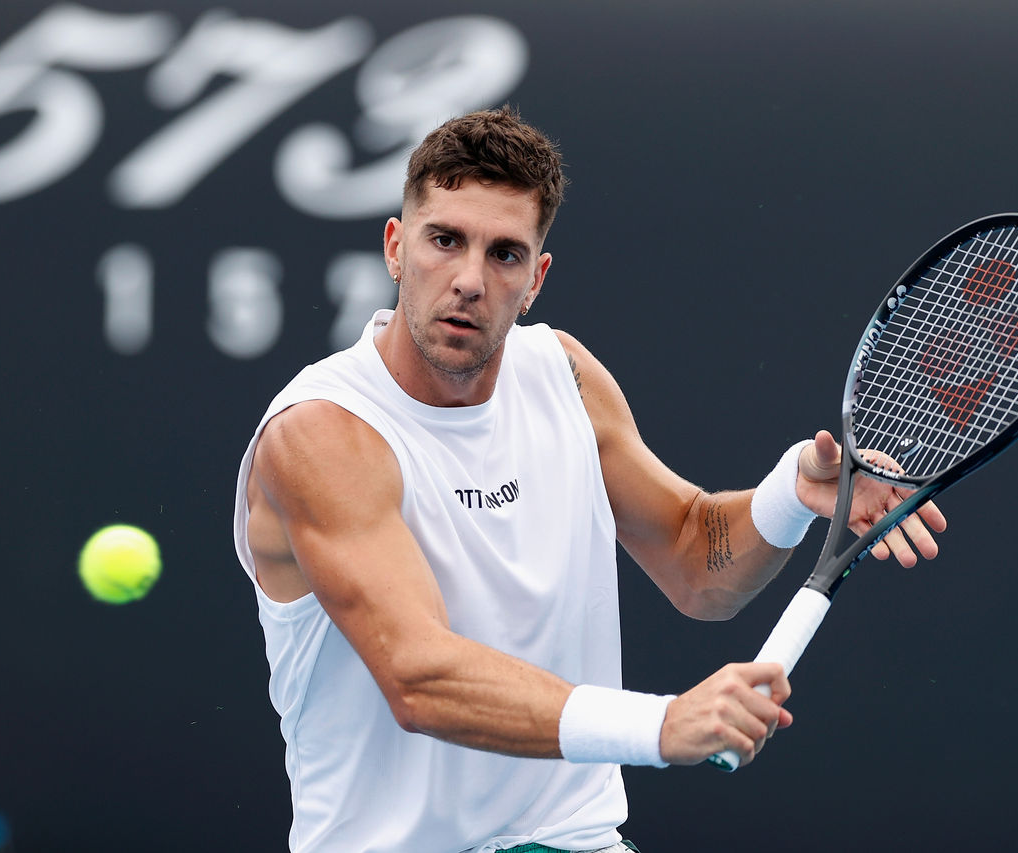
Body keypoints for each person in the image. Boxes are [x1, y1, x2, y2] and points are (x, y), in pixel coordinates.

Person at [232, 107, 946, 853]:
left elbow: (694, 562)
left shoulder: (563, 374)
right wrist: (659, 725)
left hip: (575, 839)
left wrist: (793, 493)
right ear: (395, 247)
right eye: (445, 240)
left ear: (536, 278)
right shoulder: (322, 432)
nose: (470, 280)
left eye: (505, 254)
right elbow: (418, 675)